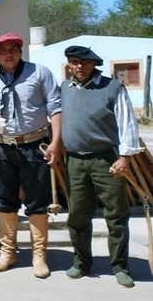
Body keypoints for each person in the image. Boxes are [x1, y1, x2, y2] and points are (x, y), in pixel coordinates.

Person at [0, 32, 62, 278]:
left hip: (33, 144)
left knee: (37, 200)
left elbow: (55, 107)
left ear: (20, 50)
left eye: (13, 48)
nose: (9, 53)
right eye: (3, 50)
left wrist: (56, 142)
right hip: (2, 146)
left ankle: (39, 255)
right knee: (4, 200)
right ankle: (8, 252)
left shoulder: (40, 73)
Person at [60, 45, 141, 288]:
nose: (79, 67)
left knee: (116, 215)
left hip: (106, 160)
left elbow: (127, 121)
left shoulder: (112, 87)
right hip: (74, 161)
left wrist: (125, 157)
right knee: (77, 215)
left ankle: (119, 266)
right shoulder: (65, 88)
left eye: (84, 62)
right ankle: (81, 263)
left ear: (94, 64)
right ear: (69, 65)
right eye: (74, 62)